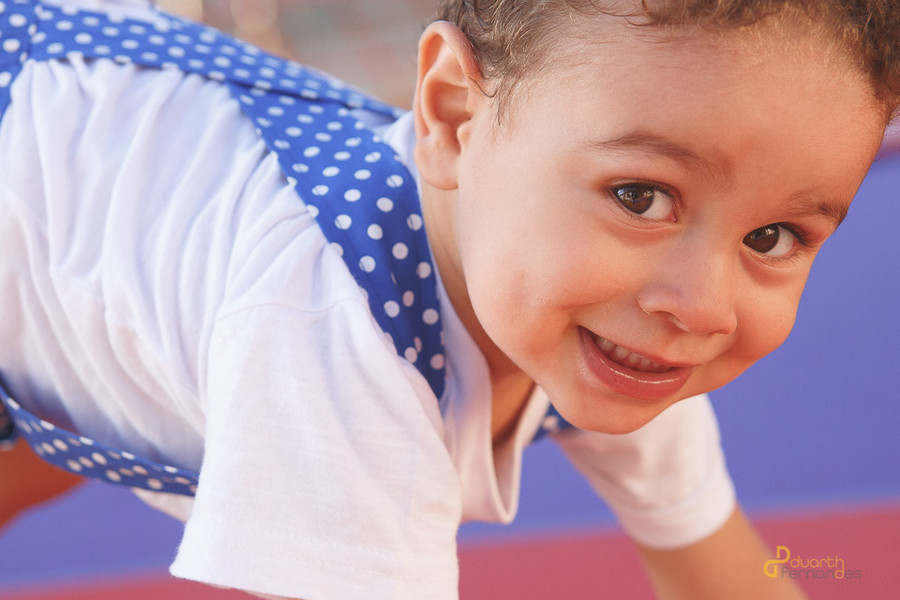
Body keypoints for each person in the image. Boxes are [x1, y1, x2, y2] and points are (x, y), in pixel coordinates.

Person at [0, 0, 896, 598]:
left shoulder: (628, 322)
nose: (703, 306)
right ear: (455, 117)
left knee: (54, 437)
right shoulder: (335, 334)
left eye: (772, 239)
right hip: (33, 147)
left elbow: (727, 576)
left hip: (73, 197)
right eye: (638, 197)